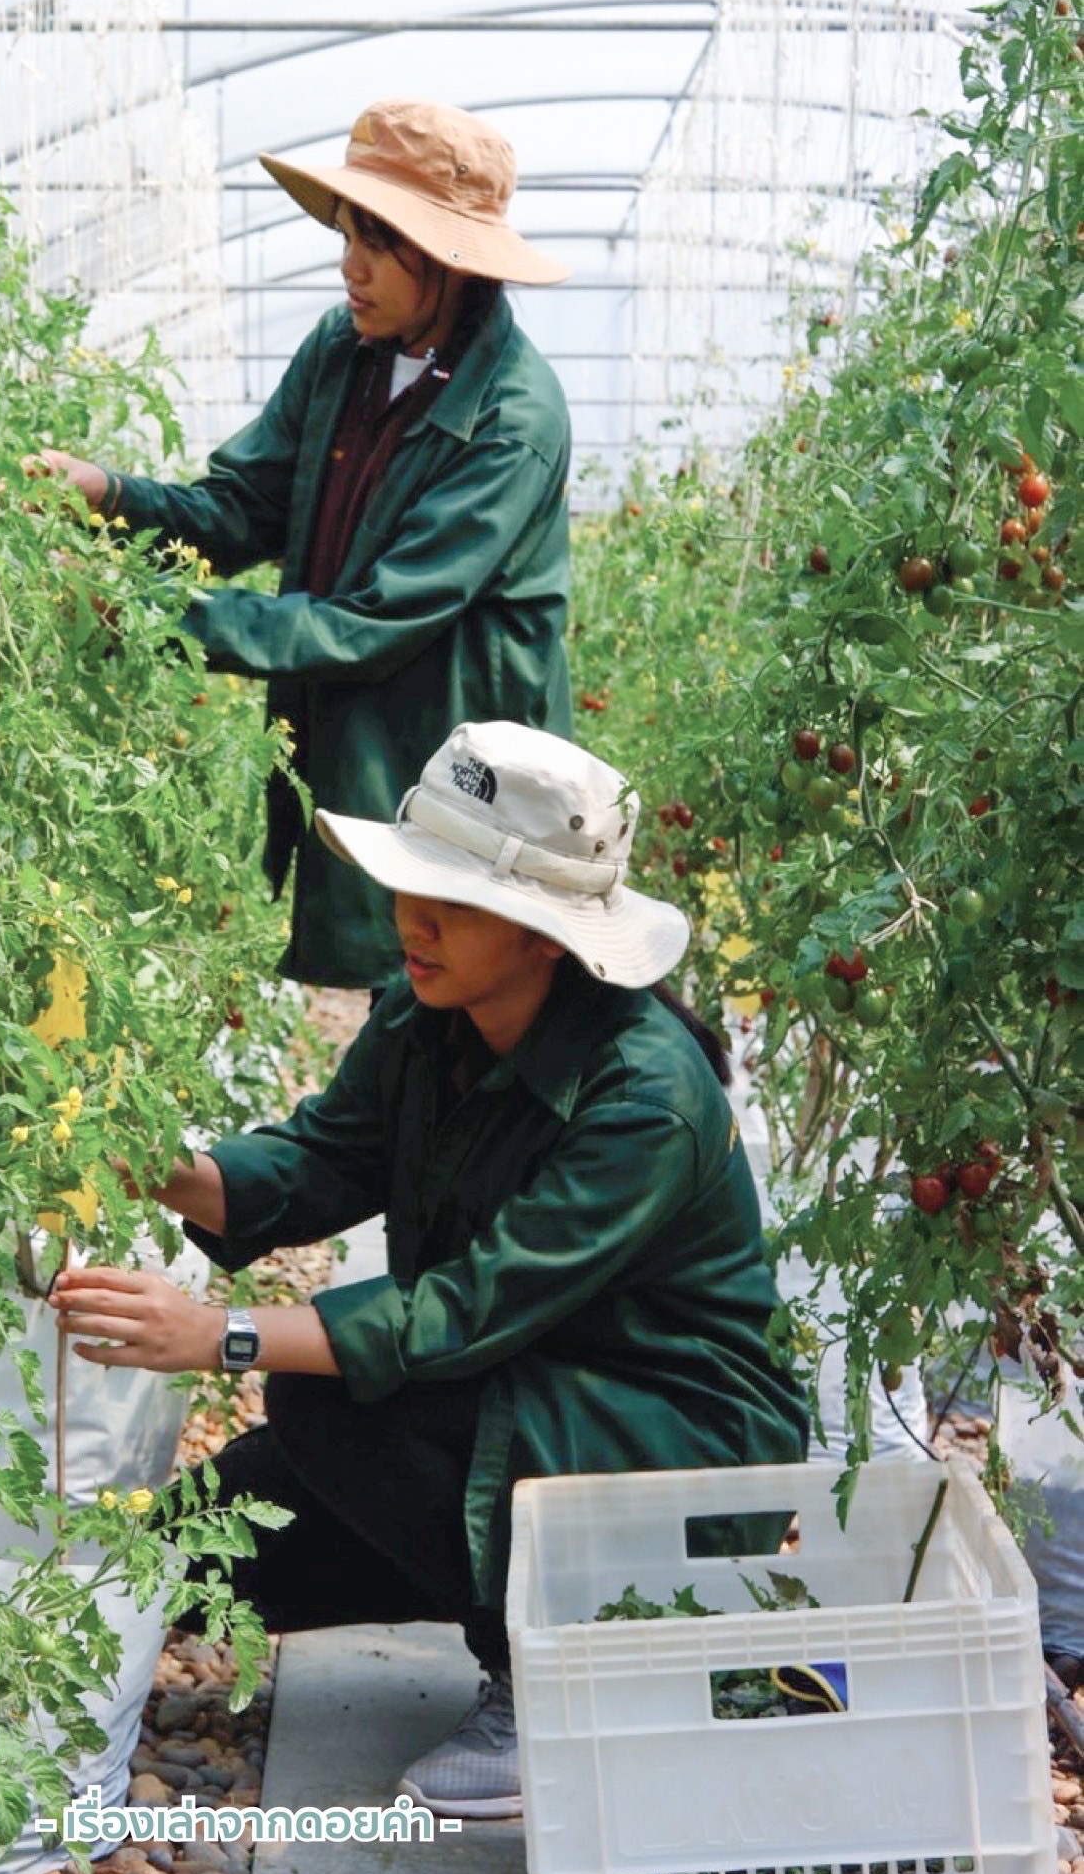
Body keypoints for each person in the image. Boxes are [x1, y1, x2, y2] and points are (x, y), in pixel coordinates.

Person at [49, 723, 812, 1819]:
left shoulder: (646, 1096)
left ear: (546, 937)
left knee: (320, 1396)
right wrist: (148, 1163)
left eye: (453, 900)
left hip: (661, 1437)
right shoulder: (428, 1014)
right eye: (412, 884)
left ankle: (551, 1676)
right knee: (199, 1556)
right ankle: (495, 1577)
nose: (413, 918)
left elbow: (466, 1308)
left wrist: (218, 1333)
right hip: (507, 1396)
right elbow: (321, 1159)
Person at [29, 99, 573, 990]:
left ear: (448, 258)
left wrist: (148, 612)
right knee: (404, 1001)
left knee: (456, 987)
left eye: (378, 242)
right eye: (348, 233)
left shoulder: (511, 420)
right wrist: (108, 497)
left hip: (463, 782)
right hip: (355, 748)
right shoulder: (343, 352)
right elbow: (243, 509)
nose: (349, 264)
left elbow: (372, 623)